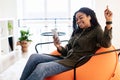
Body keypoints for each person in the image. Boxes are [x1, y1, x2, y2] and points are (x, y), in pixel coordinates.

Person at [20, 6, 113, 80]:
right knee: (34, 56)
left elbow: (106, 43)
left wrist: (108, 22)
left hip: (74, 62)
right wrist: (58, 46)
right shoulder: (77, 31)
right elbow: (66, 50)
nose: (78, 21)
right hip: (65, 58)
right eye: (77, 19)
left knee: (42, 67)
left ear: (89, 17)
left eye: (81, 17)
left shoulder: (96, 30)